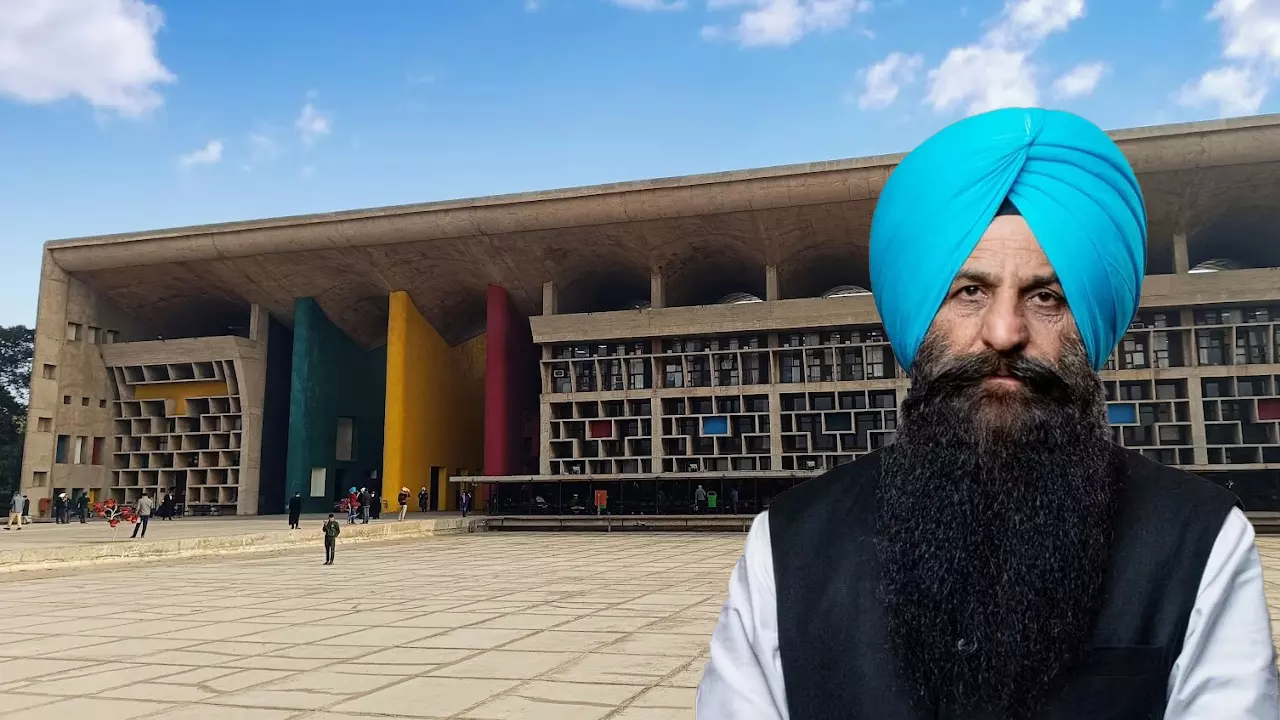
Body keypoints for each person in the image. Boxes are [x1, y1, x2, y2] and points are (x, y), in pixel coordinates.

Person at [697, 108, 1279, 719]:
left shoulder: (1201, 541)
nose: (1004, 332)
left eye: (1046, 297)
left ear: (1091, 321)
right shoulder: (786, 546)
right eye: (969, 292)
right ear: (921, 314)